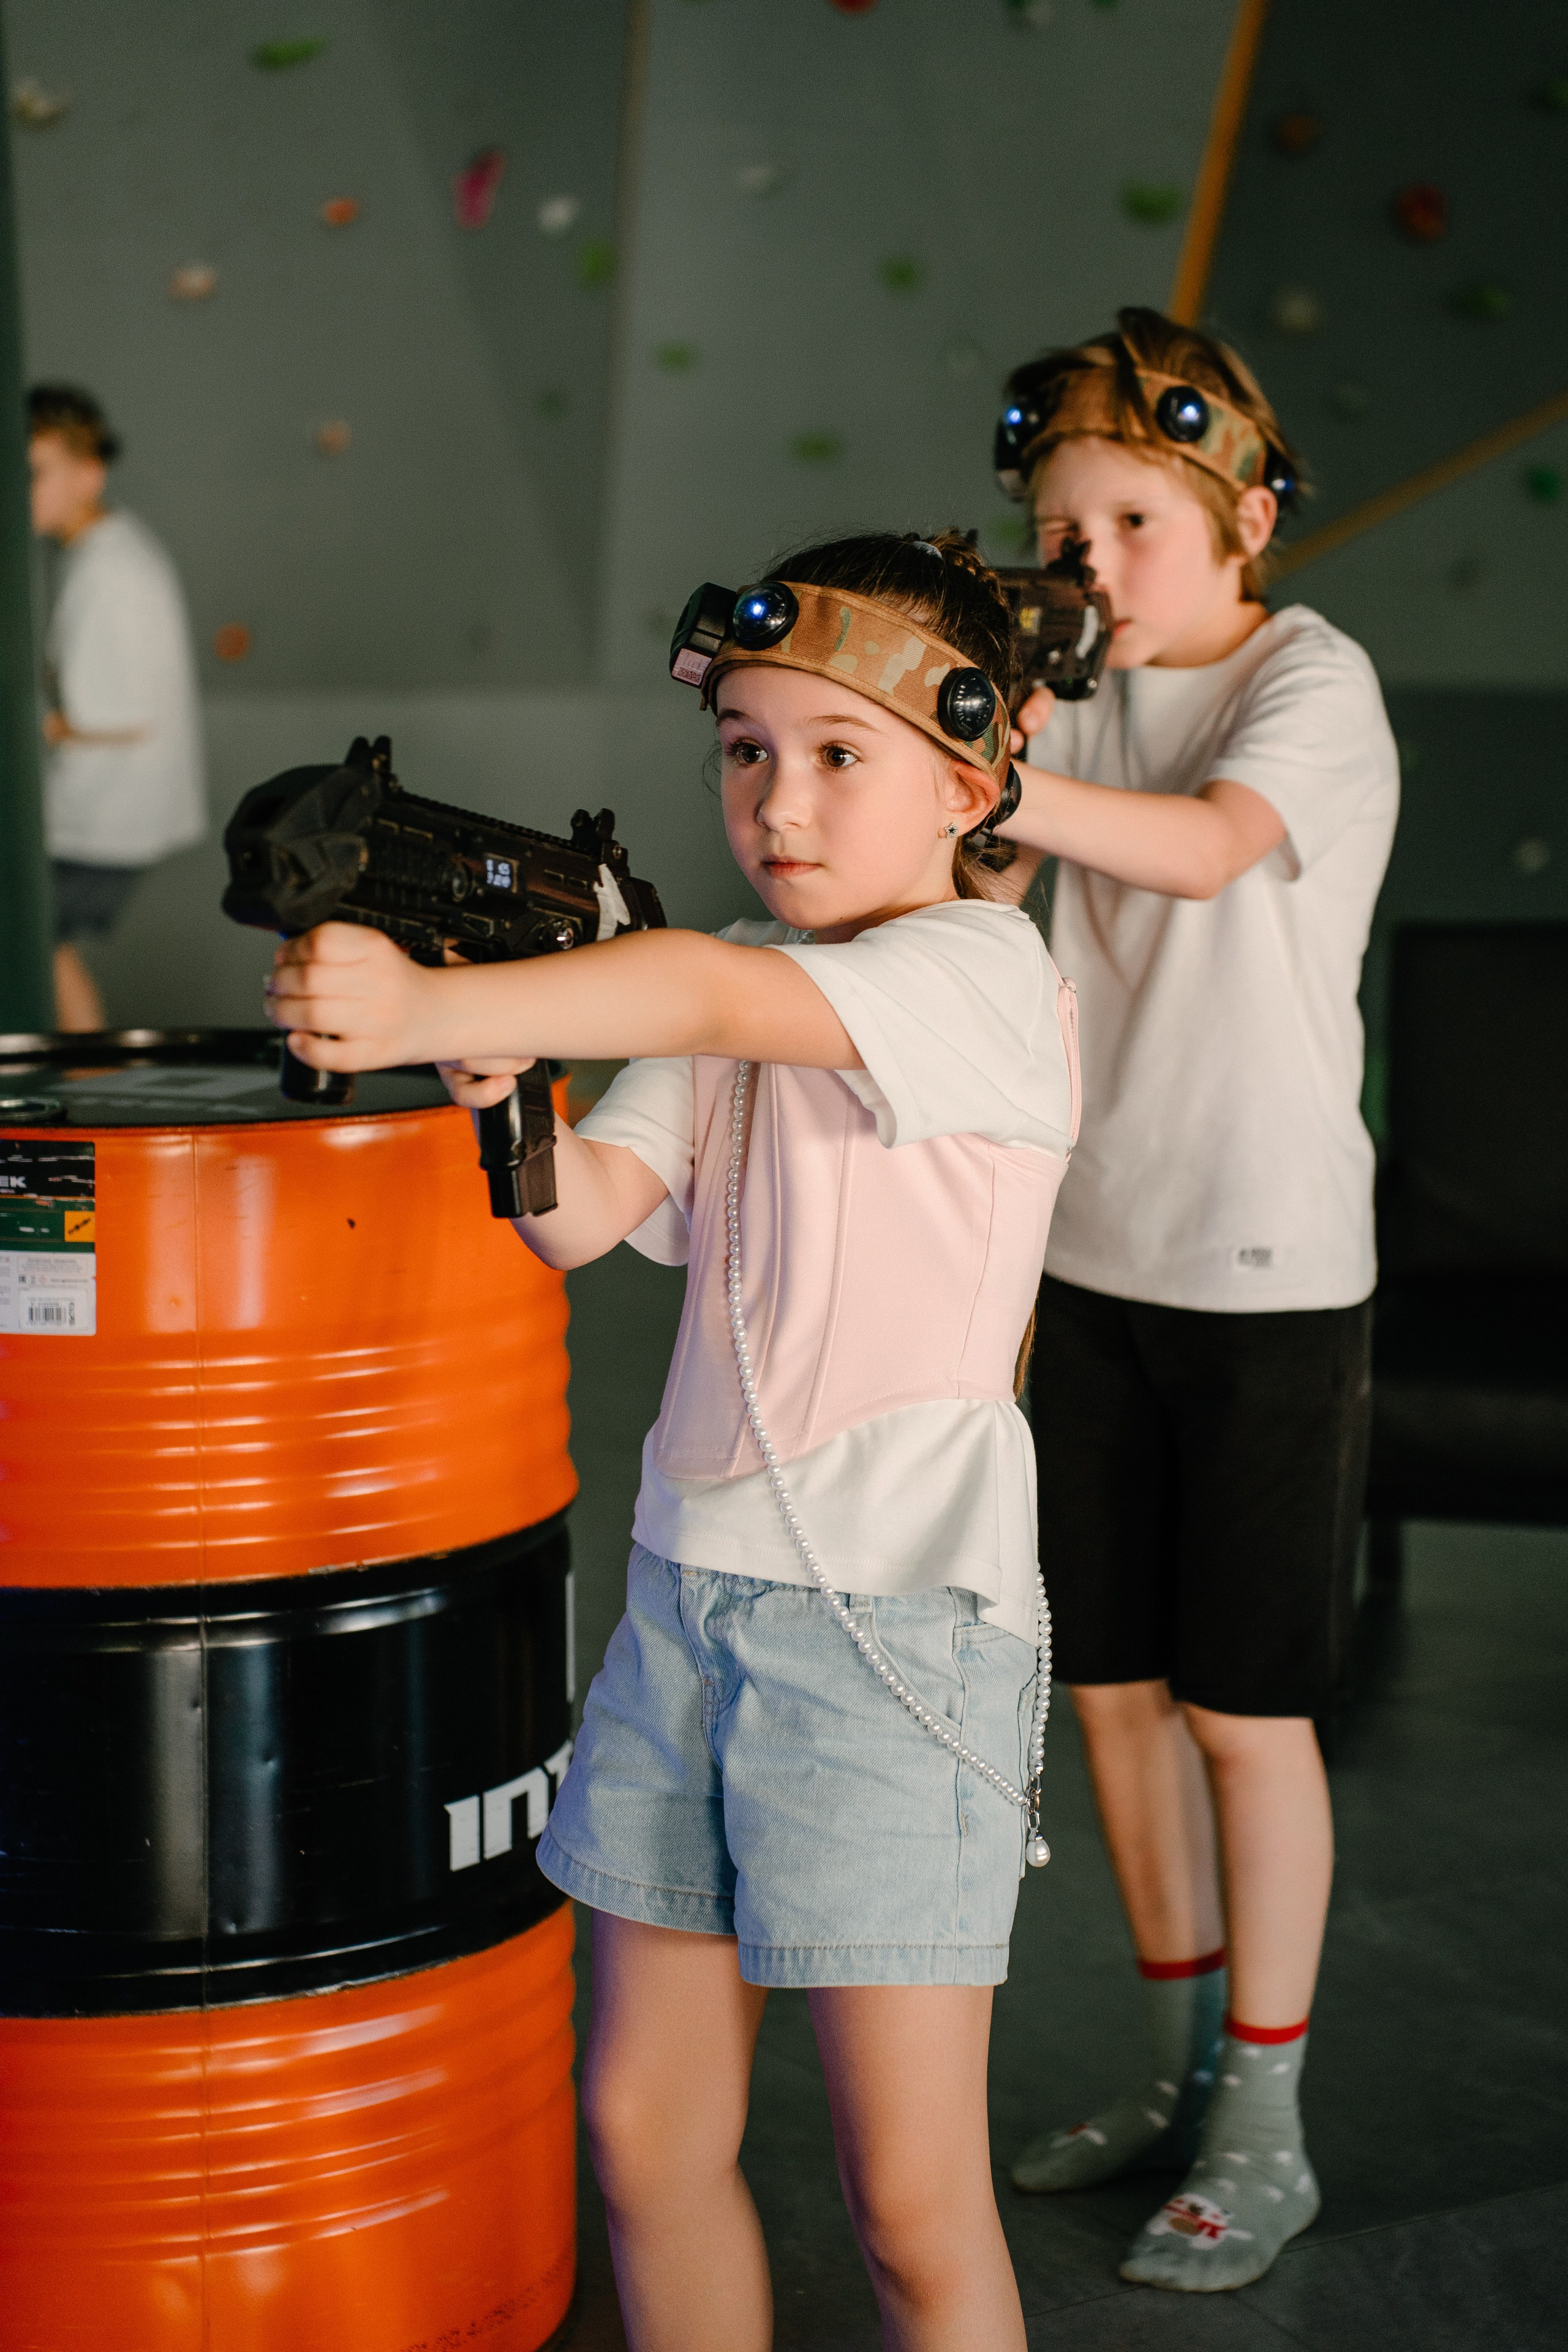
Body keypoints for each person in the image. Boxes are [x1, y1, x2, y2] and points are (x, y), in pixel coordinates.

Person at [265, 531, 1080, 2352]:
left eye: (838, 752)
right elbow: (580, 1214)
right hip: (685, 1607)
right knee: (643, 2133)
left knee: (908, 2200)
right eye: (744, 749)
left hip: (887, 1637)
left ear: (968, 779)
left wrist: (442, 1002)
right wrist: (500, 1084)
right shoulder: (730, 971)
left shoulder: (974, 971)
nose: (779, 800)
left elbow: (710, 998)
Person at [992, 308, 1398, 2292]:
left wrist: (985, 771)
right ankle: (1172, 2070)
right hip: (1091, 1257)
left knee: (1247, 1715)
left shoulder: (1308, 678)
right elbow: (975, 906)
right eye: (1058, 534)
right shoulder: (1063, 701)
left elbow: (1214, 850)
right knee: (1115, 1697)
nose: (1091, 567)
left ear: (1245, 516)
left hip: (1267, 1275)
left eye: (1133, 524)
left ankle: (1267, 2119)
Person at [29, 384, 206, 1031]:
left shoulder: (109, 569)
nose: (23, 489)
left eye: (37, 472)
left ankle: (87, 1079)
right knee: (45, 947)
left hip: (103, 819)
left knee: (37, 943)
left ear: (89, 474)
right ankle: (86, 1077)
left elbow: (111, 712)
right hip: (106, 815)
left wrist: (37, 725)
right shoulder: (106, 553)